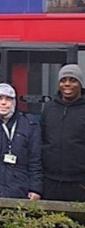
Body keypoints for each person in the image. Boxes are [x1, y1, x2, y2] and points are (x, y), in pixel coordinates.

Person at [41, 64, 85, 205]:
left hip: (79, 183)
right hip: (50, 181)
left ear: (80, 84)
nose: (67, 84)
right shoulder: (49, 108)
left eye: (73, 80)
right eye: (63, 80)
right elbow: (42, 140)